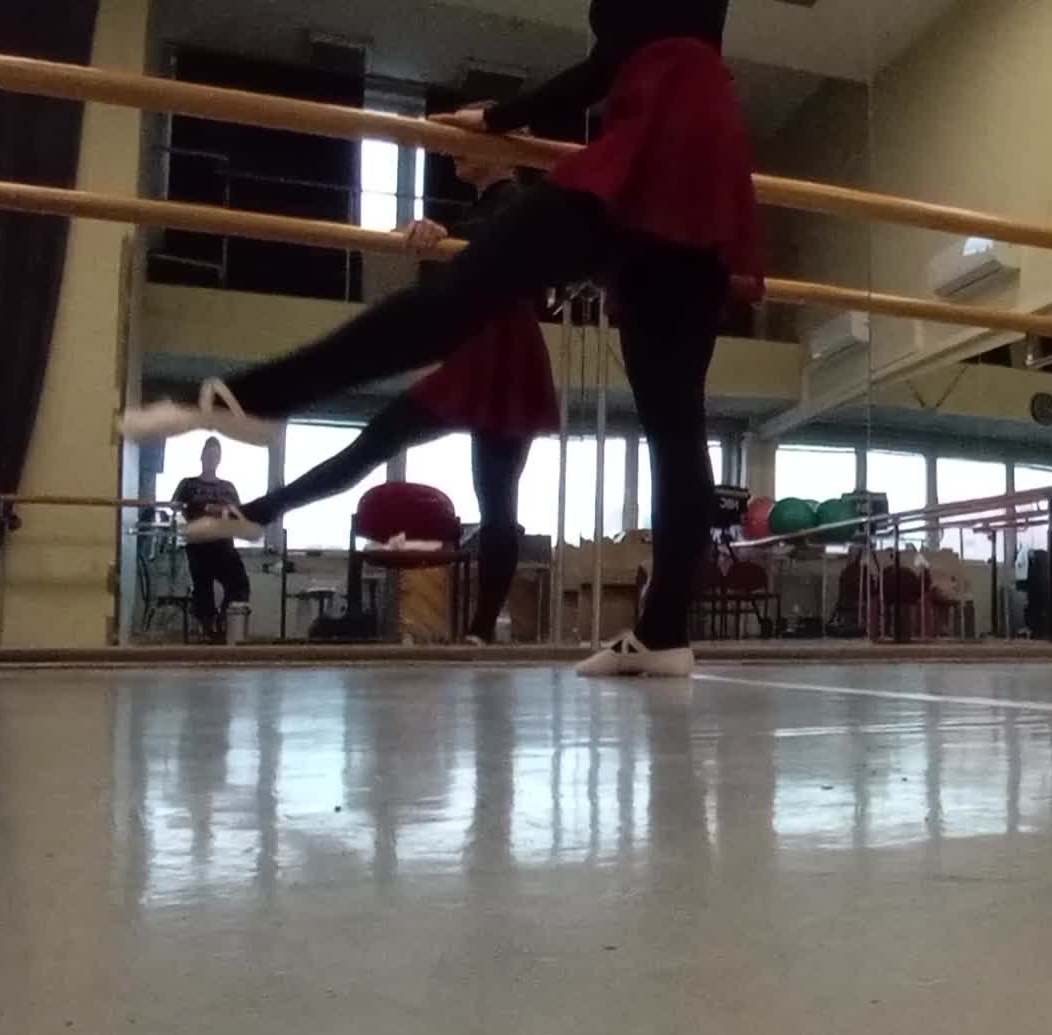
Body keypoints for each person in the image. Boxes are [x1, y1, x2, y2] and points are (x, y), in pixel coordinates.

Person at [120, 0, 759, 678]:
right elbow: (613, 63)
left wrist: (500, 117)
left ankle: (250, 398)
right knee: (673, 414)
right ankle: (664, 633)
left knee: (450, 312)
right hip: (703, 145)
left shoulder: (519, 185)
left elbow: (605, 65)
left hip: (662, 129)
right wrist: (502, 118)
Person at [185, 154, 558, 645]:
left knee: (477, 488)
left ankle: (482, 629)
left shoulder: (514, 201)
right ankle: (481, 630)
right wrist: (442, 235)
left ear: (498, 154)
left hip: (501, 347)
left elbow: (503, 234)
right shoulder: (485, 209)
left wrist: (444, 232)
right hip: (487, 349)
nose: (453, 154)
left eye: (466, 146)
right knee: (397, 454)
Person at [172, 437, 251, 642]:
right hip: (198, 544)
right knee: (203, 590)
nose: (211, 459)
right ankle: (207, 629)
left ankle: (224, 622)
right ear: (201, 457)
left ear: (219, 459)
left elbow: (238, 513)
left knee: (239, 584)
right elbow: (175, 508)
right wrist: (205, 509)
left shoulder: (228, 487)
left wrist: (218, 510)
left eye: (215, 455)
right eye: (208, 454)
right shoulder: (188, 485)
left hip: (223, 544)